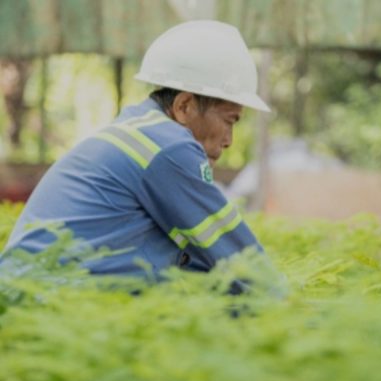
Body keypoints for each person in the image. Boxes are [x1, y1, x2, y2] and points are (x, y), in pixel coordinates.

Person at [2, 20, 270, 278]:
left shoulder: (140, 129)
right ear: (184, 106)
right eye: (229, 121)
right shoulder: (168, 147)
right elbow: (244, 263)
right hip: (41, 301)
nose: (229, 140)